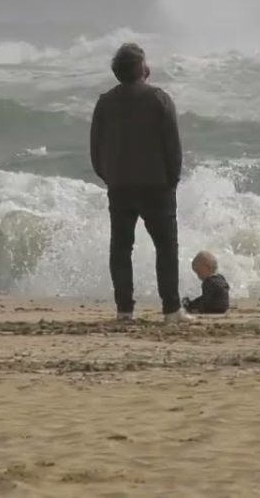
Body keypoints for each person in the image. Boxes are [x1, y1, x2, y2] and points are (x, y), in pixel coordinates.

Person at [90, 43, 194, 324]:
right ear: (141, 69)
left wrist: (108, 176)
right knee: (166, 247)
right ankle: (171, 309)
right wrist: (172, 179)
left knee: (121, 248)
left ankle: (125, 310)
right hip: (156, 185)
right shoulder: (159, 99)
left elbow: (95, 150)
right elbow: (172, 146)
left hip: (120, 186)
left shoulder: (104, 102)